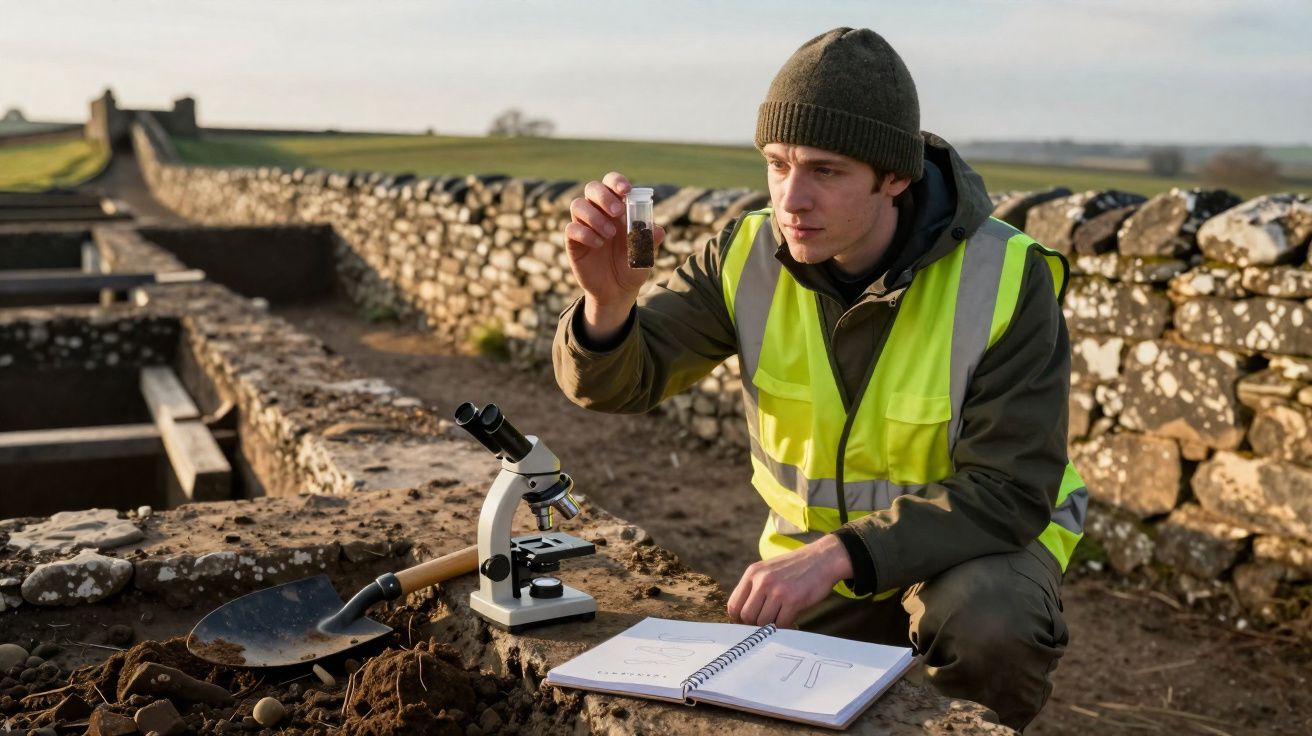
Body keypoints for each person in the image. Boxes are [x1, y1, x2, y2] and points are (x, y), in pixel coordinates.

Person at [552, 27, 1085, 730]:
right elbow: (619, 384)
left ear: (895, 176)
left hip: (975, 554)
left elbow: (1011, 490)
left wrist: (841, 553)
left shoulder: (1007, 277)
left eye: (825, 171)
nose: (790, 198)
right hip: (820, 567)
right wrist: (608, 305)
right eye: (777, 164)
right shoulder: (743, 255)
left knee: (988, 618)